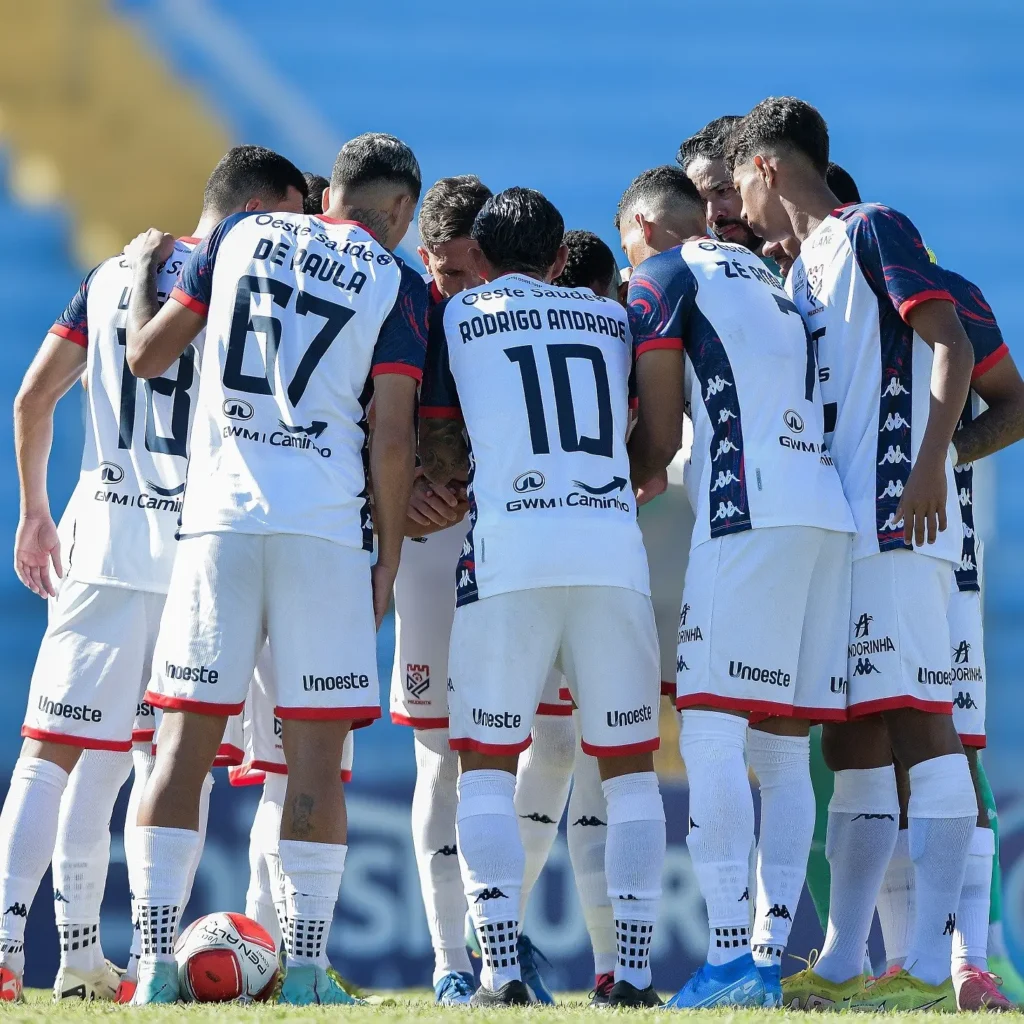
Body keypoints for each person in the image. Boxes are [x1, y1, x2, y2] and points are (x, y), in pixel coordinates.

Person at [121, 131, 426, 1005]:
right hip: (325, 531)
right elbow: (395, 435)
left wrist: (147, 275)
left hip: (219, 521)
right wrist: (390, 555)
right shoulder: (397, 281)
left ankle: (151, 970)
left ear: (333, 191)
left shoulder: (239, 234)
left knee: (181, 745)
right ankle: (302, 975)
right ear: (399, 210)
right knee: (315, 757)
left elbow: (148, 358)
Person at [0, 145, 305, 1005]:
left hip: (99, 537)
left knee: (57, 755)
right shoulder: (250, 285)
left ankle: (39, 956)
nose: (291, 229)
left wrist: (33, 510)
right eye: (284, 211)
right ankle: (149, 965)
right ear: (252, 205)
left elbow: (32, 399)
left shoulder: (109, 276)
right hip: (198, 555)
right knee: (165, 761)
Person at [729, 95, 978, 1012]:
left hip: (896, 517)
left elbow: (947, 344)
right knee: (857, 731)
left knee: (921, 720)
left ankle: (932, 959)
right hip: (841, 530)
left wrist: (927, 471)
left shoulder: (872, 228)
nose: (739, 215)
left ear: (765, 166)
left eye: (738, 187)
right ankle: (846, 960)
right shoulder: (799, 271)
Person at [419, 187, 665, 1008]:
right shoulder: (612, 318)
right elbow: (645, 435)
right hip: (611, 552)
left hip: (511, 553)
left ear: (478, 259)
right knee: (630, 773)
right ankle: (630, 975)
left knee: (485, 765)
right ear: (564, 261)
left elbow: (438, 430)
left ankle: (498, 972)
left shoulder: (457, 313)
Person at [619, 165, 855, 1008]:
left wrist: (630, 475)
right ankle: (765, 951)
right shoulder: (769, 275)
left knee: (713, 733)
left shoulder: (664, 276)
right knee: (782, 748)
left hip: (746, 511)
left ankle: (727, 962)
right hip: (826, 513)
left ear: (643, 228)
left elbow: (656, 426)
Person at [394, 174, 573, 1005]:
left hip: (523, 543)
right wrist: (395, 500)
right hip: (432, 550)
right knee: (443, 755)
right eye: (455, 278)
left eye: (481, 271)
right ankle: (449, 963)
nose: (475, 293)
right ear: (427, 262)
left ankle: (499, 924)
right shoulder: (402, 311)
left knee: (553, 743)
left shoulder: (526, 309)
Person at [677, 116, 762, 251]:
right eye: (702, 203)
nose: (712, 215)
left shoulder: (806, 256)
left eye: (723, 190)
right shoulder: (700, 271)